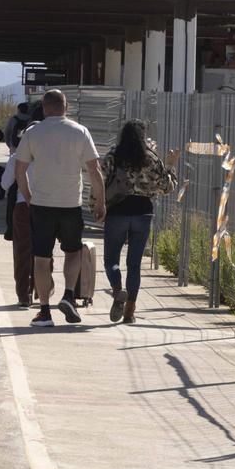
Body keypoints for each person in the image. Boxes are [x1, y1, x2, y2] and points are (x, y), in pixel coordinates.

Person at [15, 89, 106, 327]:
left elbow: (19, 170)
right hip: (70, 205)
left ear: (44, 108)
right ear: (66, 107)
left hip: (41, 205)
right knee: (73, 252)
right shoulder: (80, 131)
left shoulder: (33, 133)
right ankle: (68, 295)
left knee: (41, 259)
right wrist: (100, 202)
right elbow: (94, 171)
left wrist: (28, 197)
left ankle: (45, 312)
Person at [100, 120, 179, 324]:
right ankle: (129, 312)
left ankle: (118, 290)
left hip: (117, 212)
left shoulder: (113, 155)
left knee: (111, 260)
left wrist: (98, 204)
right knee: (134, 265)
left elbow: (100, 178)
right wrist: (170, 165)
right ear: (143, 136)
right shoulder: (151, 158)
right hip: (143, 212)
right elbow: (166, 187)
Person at [1, 102, 43, 306]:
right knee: (43, 251)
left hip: (22, 207)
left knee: (22, 252)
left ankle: (23, 295)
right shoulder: (50, 157)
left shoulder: (16, 157)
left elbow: (5, 184)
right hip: (46, 207)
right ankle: (41, 289)